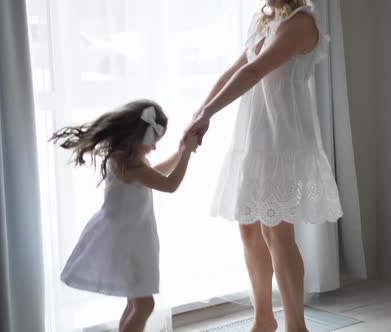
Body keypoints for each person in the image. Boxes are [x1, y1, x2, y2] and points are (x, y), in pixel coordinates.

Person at [185, 1, 343, 331]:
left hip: (283, 139)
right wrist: (200, 112)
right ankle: (263, 317)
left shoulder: (301, 23)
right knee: (248, 228)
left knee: (277, 232)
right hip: (254, 137)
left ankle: (296, 325)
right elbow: (233, 71)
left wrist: (208, 114)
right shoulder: (263, 20)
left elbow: (254, 71)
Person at [51, 100, 198, 332]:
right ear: (139, 137)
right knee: (144, 304)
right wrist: (187, 153)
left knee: (135, 302)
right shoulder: (130, 166)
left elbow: (156, 175)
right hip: (130, 241)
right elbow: (169, 185)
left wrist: (180, 153)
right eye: (153, 142)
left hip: (131, 237)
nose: (154, 148)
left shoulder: (127, 160)